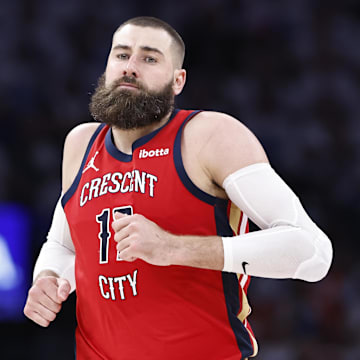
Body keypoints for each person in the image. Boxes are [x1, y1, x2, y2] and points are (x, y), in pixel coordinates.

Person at [24, 16, 333, 360]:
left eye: (150, 58)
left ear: (177, 80)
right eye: (121, 55)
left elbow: (314, 253)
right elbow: (63, 245)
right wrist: (48, 278)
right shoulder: (81, 144)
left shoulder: (209, 136)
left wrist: (173, 249)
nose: (131, 67)